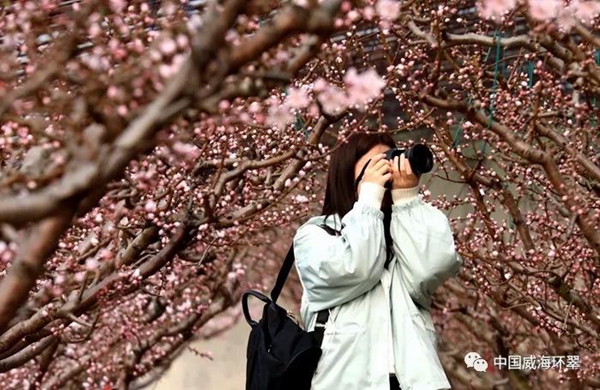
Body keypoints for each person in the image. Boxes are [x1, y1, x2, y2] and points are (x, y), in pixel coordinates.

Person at [293, 132, 463, 390]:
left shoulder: (406, 230)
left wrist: (407, 200)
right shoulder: (315, 236)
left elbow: (432, 269)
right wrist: (369, 198)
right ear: (347, 173)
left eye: (391, 161)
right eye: (377, 164)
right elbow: (357, 268)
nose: (388, 171)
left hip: (414, 382)